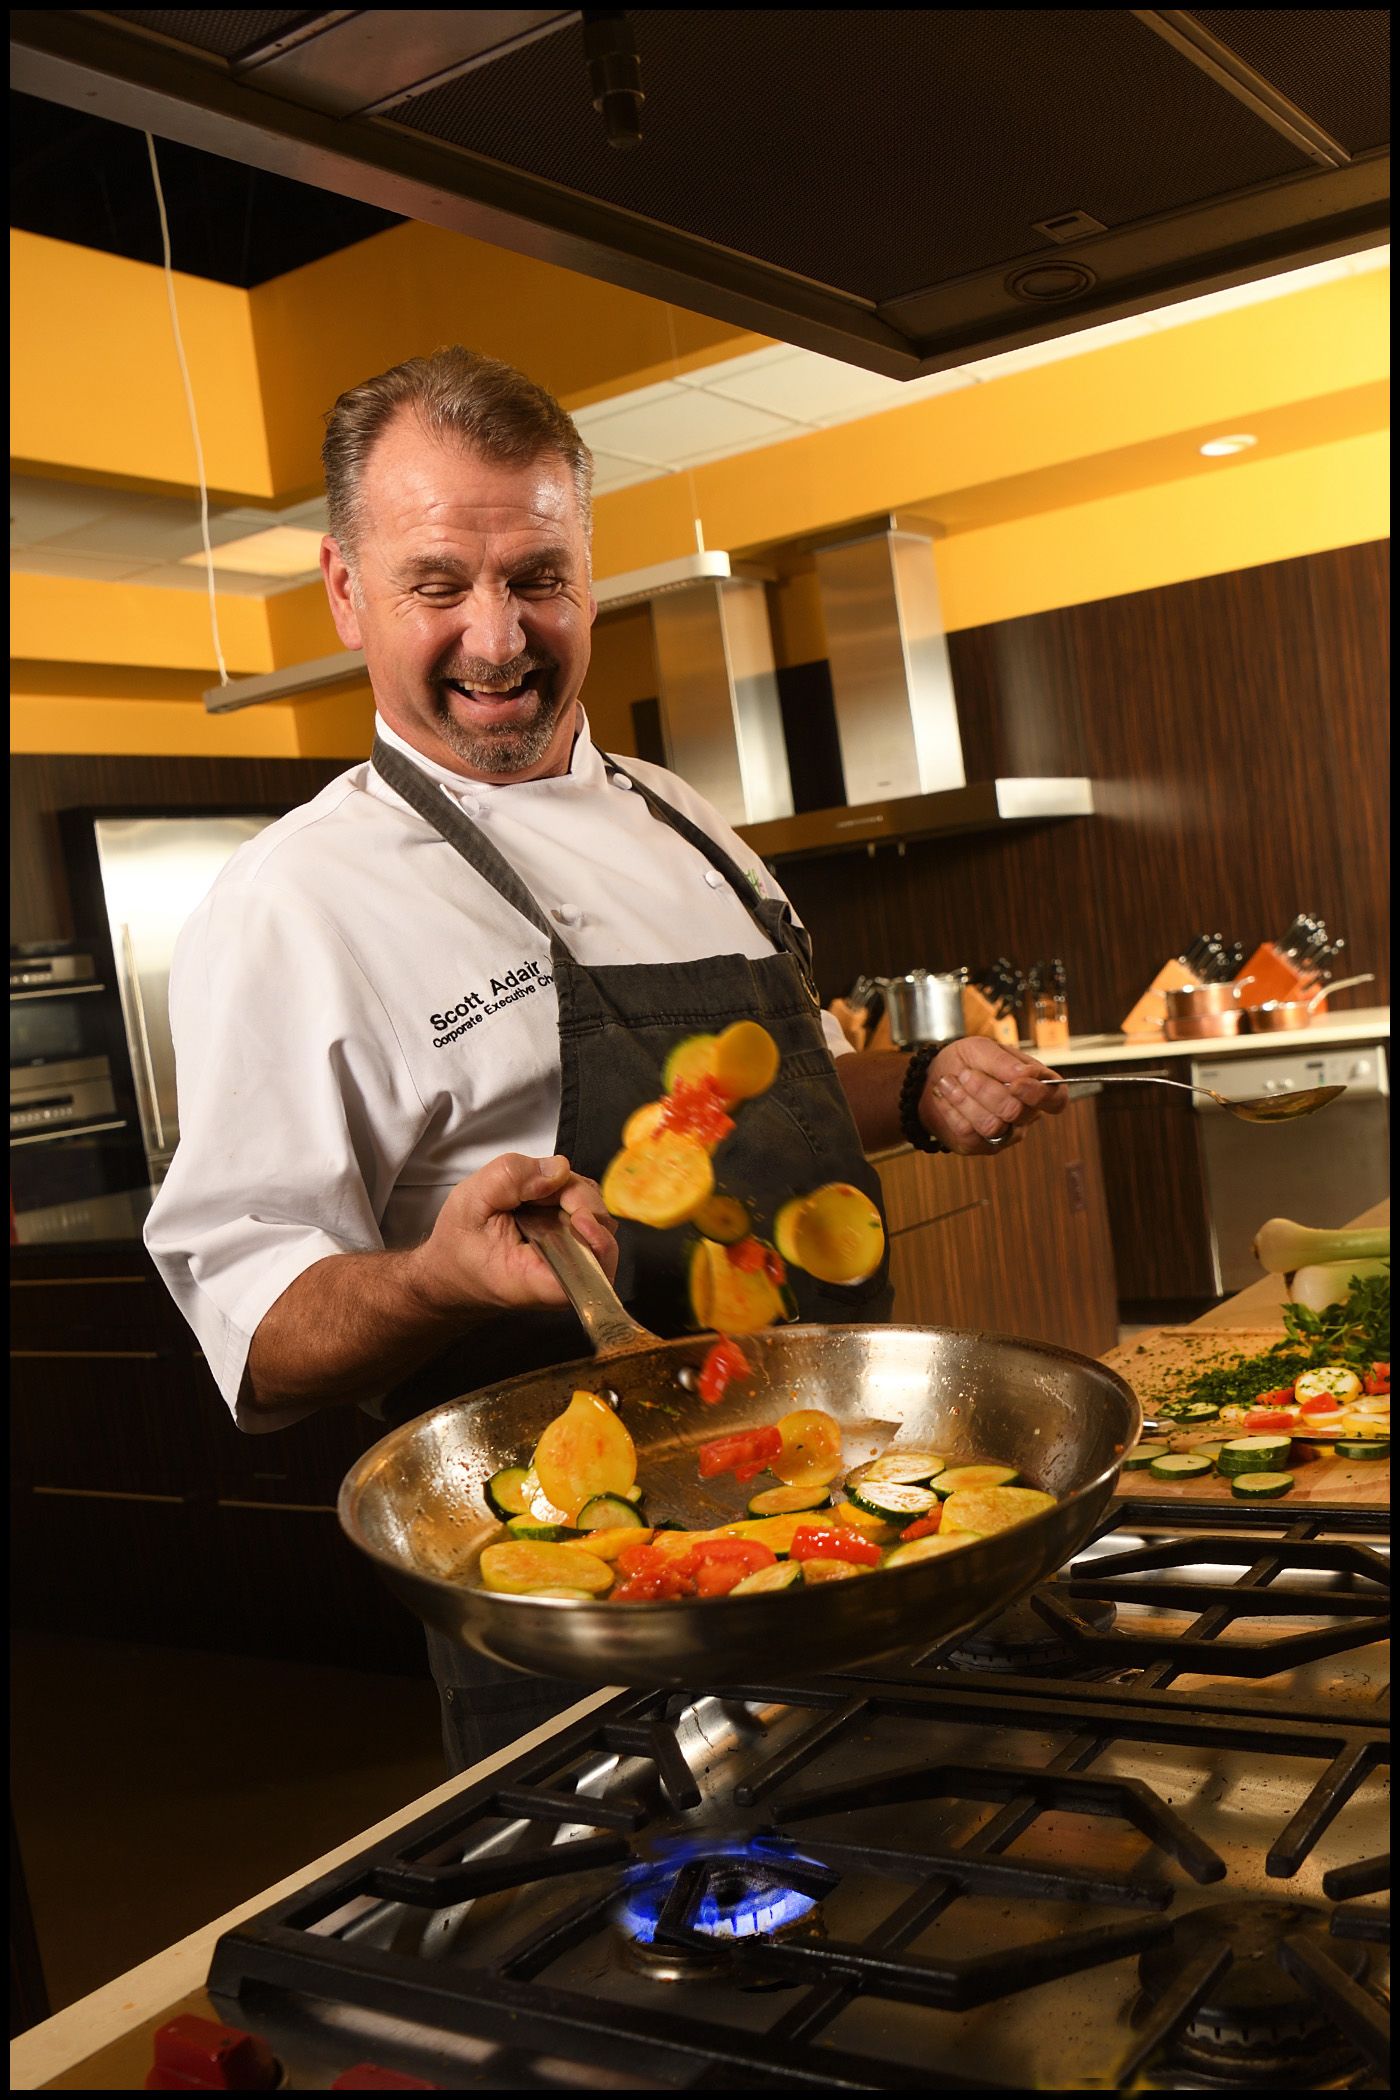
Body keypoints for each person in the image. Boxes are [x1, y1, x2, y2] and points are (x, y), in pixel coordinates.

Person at [145, 346, 1066, 1773]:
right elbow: (258, 1333)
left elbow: (770, 1117)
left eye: (538, 579)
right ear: (346, 590)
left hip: (863, 1511)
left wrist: (926, 1092)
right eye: (439, 584)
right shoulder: (293, 907)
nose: (499, 638)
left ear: (590, 569)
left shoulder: (687, 819)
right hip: (591, 1608)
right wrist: (434, 1276)